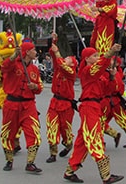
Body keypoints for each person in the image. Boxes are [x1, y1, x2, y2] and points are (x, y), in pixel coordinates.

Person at [63, 43, 124, 184]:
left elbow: (109, 90)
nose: (97, 57)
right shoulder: (87, 71)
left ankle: (69, 171)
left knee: (82, 141)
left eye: (97, 55)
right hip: (89, 106)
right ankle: (106, 176)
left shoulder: (98, 75)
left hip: (95, 106)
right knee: (95, 138)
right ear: (87, 58)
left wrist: (112, 77)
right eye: (94, 55)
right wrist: (110, 52)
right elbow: (99, 66)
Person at [0, 39, 44, 174]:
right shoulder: (13, 65)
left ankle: (30, 163)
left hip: (29, 105)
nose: (35, 52)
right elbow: (4, 67)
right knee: (8, 133)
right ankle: (9, 160)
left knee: (34, 133)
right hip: (11, 104)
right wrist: (14, 55)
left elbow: (40, 87)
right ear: (27, 52)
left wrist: (35, 87)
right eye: (33, 49)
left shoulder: (35, 69)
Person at [45, 34, 78, 163]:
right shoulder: (59, 66)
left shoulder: (70, 72)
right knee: (52, 126)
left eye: (68, 59)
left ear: (72, 64)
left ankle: (68, 144)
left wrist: (57, 52)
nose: (65, 59)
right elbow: (54, 55)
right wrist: (54, 41)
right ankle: (53, 152)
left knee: (66, 129)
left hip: (66, 105)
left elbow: (61, 62)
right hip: (55, 101)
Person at [104, 57, 126, 148]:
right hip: (114, 101)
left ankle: (115, 135)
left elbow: (115, 87)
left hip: (110, 101)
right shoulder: (117, 72)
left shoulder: (114, 73)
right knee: (123, 120)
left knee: (100, 122)